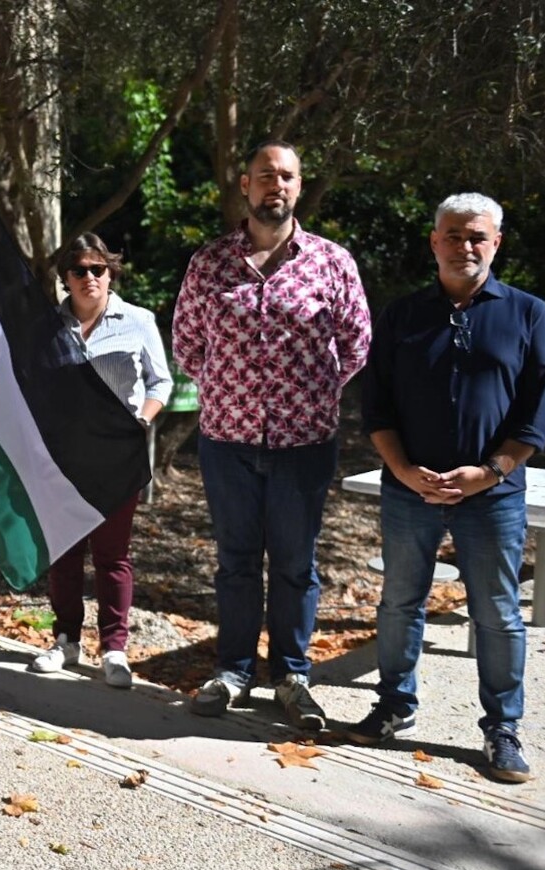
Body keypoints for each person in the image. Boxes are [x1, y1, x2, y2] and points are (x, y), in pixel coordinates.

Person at [347, 193, 545, 783]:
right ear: (434, 241)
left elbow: (539, 412)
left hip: (490, 494)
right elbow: (377, 404)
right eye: (453, 235)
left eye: (477, 237)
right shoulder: (403, 315)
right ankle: (393, 706)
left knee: (496, 612)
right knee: (398, 603)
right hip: (410, 488)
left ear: (496, 243)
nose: (465, 246)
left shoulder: (528, 314)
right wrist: (401, 469)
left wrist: (491, 472)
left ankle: (502, 730)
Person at [172, 140, 371, 729]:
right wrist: (233, 391)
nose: (274, 185)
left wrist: (310, 395)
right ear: (245, 185)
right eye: (264, 176)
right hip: (227, 442)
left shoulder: (332, 263)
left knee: (294, 563)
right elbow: (186, 344)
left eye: (285, 176)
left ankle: (291, 675)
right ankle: (232, 670)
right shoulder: (210, 264)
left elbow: (357, 344)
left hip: (304, 445)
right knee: (236, 562)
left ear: (299, 186)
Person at [28, 233, 171, 688]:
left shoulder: (139, 321)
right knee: (65, 553)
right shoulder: (47, 327)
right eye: (79, 271)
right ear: (65, 278)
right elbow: (34, 385)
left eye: (98, 269)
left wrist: (142, 422)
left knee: (113, 556)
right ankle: (66, 641)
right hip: (64, 458)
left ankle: (114, 649)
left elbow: (160, 382)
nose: (90, 278)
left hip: (117, 457)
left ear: (111, 273)